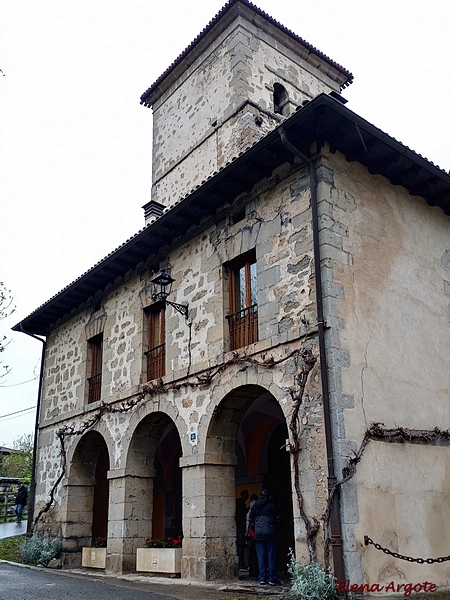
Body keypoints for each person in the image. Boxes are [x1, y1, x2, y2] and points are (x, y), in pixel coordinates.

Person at [247, 489, 281, 586]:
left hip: (258, 535)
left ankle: (262, 578)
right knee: (271, 556)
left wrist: (255, 532)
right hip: (270, 534)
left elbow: (251, 521)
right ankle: (272, 578)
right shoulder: (272, 505)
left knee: (261, 557)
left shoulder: (255, 507)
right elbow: (278, 519)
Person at [235, 489, 249, 569]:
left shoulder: (238, 503)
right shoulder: (242, 504)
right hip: (241, 527)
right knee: (241, 546)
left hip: (239, 527)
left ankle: (240, 563)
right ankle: (241, 563)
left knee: (240, 545)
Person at [246, 493, 259, 578]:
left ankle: (252, 571)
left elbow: (248, 522)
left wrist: (248, 532)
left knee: (251, 554)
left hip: (250, 533)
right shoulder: (258, 508)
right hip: (257, 533)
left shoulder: (249, 510)